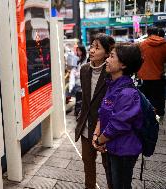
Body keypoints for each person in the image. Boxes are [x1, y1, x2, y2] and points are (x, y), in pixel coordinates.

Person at [93, 43, 143, 189]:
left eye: (112, 56)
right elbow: (102, 113)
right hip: (112, 146)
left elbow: (118, 125)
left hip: (124, 151)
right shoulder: (113, 85)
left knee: (120, 184)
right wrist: (97, 134)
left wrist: (99, 140)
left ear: (124, 65)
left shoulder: (127, 93)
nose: (107, 60)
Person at [75, 33, 115, 189]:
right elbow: (86, 100)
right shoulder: (84, 69)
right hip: (86, 126)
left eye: (97, 48)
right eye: (91, 46)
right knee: (88, 164)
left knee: (108, 166)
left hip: (105, 129)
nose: (91, 50)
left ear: (106, 53)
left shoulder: (111, 72)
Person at [137, 27, 166, 124]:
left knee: (146, 97)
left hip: (144, 76)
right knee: (158, 96)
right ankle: (159, 115)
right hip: (159, 75)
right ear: (157, 33)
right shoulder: (164, 44)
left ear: (148, 33)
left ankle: (147, 115)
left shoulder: (142, 44)